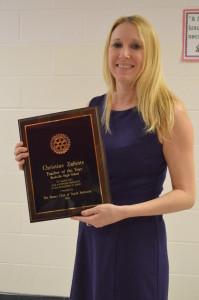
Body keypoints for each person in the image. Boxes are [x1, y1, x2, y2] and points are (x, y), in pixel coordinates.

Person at [14, 15, 196, 300]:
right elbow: (77, 173)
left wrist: (122, 212)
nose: (124, 54)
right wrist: (34, 163)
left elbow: (186, 195)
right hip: (94, 239)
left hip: (139, 242)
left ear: (151, 54)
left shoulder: (168, 112)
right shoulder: (93, 108)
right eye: (117, 44)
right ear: (108, 52)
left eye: (136, 45)